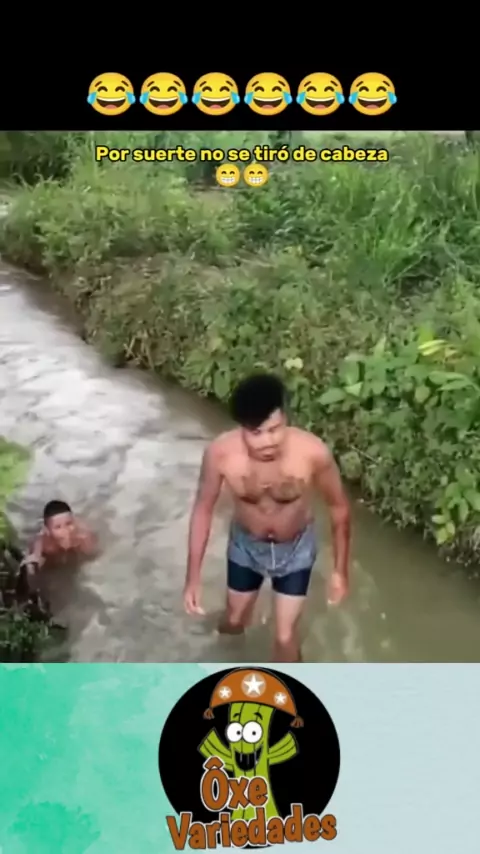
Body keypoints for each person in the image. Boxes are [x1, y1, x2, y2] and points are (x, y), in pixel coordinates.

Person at [183, 372, 351, 662]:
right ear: (241, 427)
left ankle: (288, 687)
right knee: (234, 620)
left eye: (275, 429)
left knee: (285, 636)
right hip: (246, 546)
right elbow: (203, 509)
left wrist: (340, 571)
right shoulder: (220, 454)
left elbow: (339, 508)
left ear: (286, 418)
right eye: (256, 433)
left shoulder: (313, 453)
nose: (267, 442)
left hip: (296, 550)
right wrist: (192, 577)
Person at [24, 500, 97, 571]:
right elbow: (34, 557)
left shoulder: (82, 536)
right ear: (47, 530)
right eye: (58, 527)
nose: (65, 531)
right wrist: (34, 561)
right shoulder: (43, 541)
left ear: (74, 521)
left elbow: (93, 555)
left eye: (69, 524)